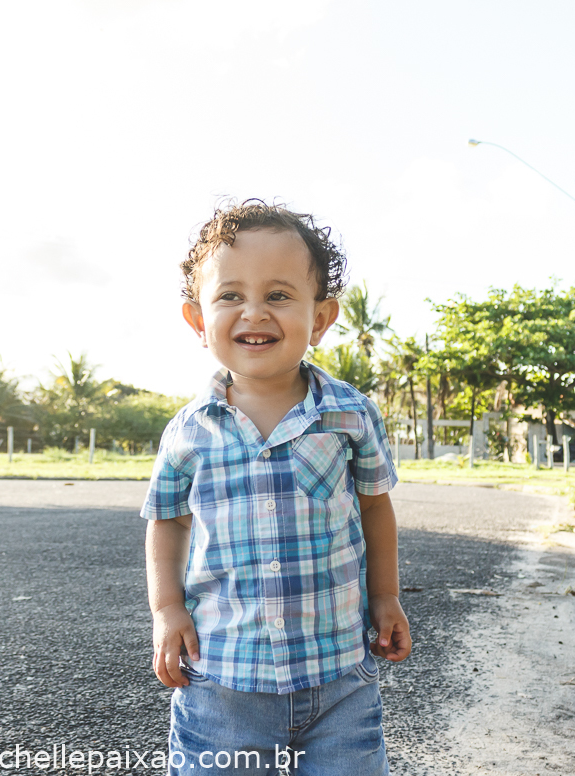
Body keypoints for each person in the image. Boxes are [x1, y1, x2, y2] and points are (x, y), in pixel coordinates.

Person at [142, 200, 410, 775]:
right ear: (197, 319)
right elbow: (166, 521)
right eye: (231, 296)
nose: (254, 313)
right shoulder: (188, 432)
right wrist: (167, 609)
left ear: (320, 317)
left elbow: (375, 508)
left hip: (340, 679)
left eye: (279, 296)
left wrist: (385, 596)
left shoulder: (350, 414)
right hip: (222, 683)